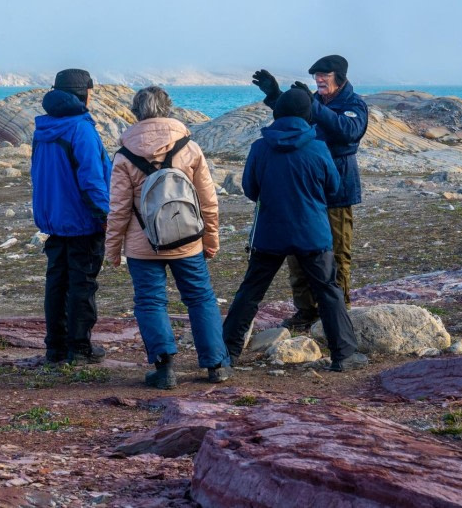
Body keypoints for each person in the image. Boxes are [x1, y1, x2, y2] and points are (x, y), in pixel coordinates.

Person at [222, 87, 368, 372]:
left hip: (269, 232)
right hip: (311, 232)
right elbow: (333, 188)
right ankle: (344, 354)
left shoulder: (259, 147)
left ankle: (225, 353)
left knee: (251, 291)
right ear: (307, 115)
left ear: (277, 114)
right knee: (328, 291)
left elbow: (250, 189)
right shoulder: (317, 147)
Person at [105, 86, 230, 389]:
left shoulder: (124, 155)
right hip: (187, 239)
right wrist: (211, 239)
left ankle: (165, 370)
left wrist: (112, 250)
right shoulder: (189, 147)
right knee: (200, 298)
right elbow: (208, 201)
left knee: (150, 302)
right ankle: (216, 365)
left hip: (142, 244)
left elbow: (119, 209)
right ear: (168, 109)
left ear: (135, 112)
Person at [252, 54, 368, 330]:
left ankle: (339, 314)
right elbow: (293, 118)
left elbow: (348, 131)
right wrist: (276, 95)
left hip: (337, 189)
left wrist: (313, 105)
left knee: (337, 253)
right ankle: (306, 312)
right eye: (316, 77)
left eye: (324, 76)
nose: (318, 80)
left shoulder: (354, 105)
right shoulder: (316, 101)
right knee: (298, 252)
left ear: (339, 77)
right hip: (305, 189)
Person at [31, 69, 111, 364]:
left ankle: (55, 347)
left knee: (57, 282)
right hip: (83, 221)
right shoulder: (81, 129)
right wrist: (106, 217)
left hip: (54, 220)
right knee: (82, 284)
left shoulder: (43, 128)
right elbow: (92, 181)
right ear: (85, 93)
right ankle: (79, 348)